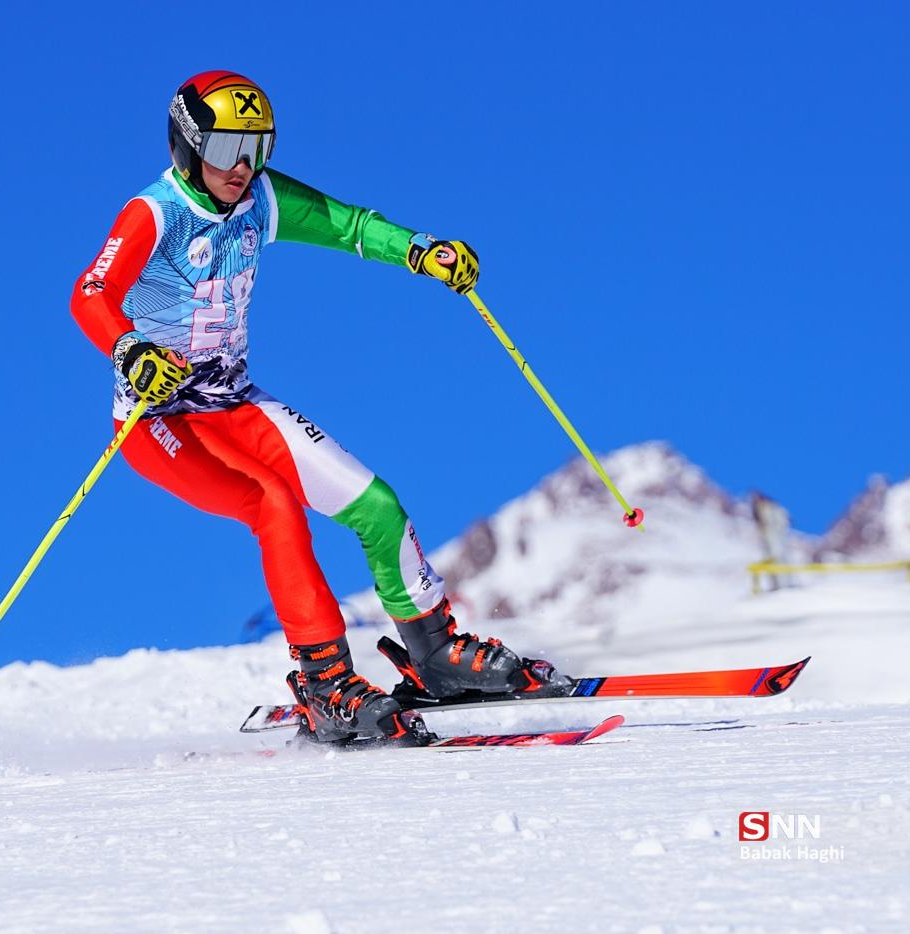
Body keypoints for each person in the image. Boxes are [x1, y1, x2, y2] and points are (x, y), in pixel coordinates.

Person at [70, 72, 566, 745]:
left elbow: (349, 227)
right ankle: (326, 684)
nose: (242, 167)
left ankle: (437, 654)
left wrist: (419, 250)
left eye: (257, 149)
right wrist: (130, 349)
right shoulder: (156, 213)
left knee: (377, 507)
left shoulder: (260, 199)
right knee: (271, 503)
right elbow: (91, 292)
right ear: (188, 146)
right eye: (226, 148)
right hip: (159, 421)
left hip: (236, 403)